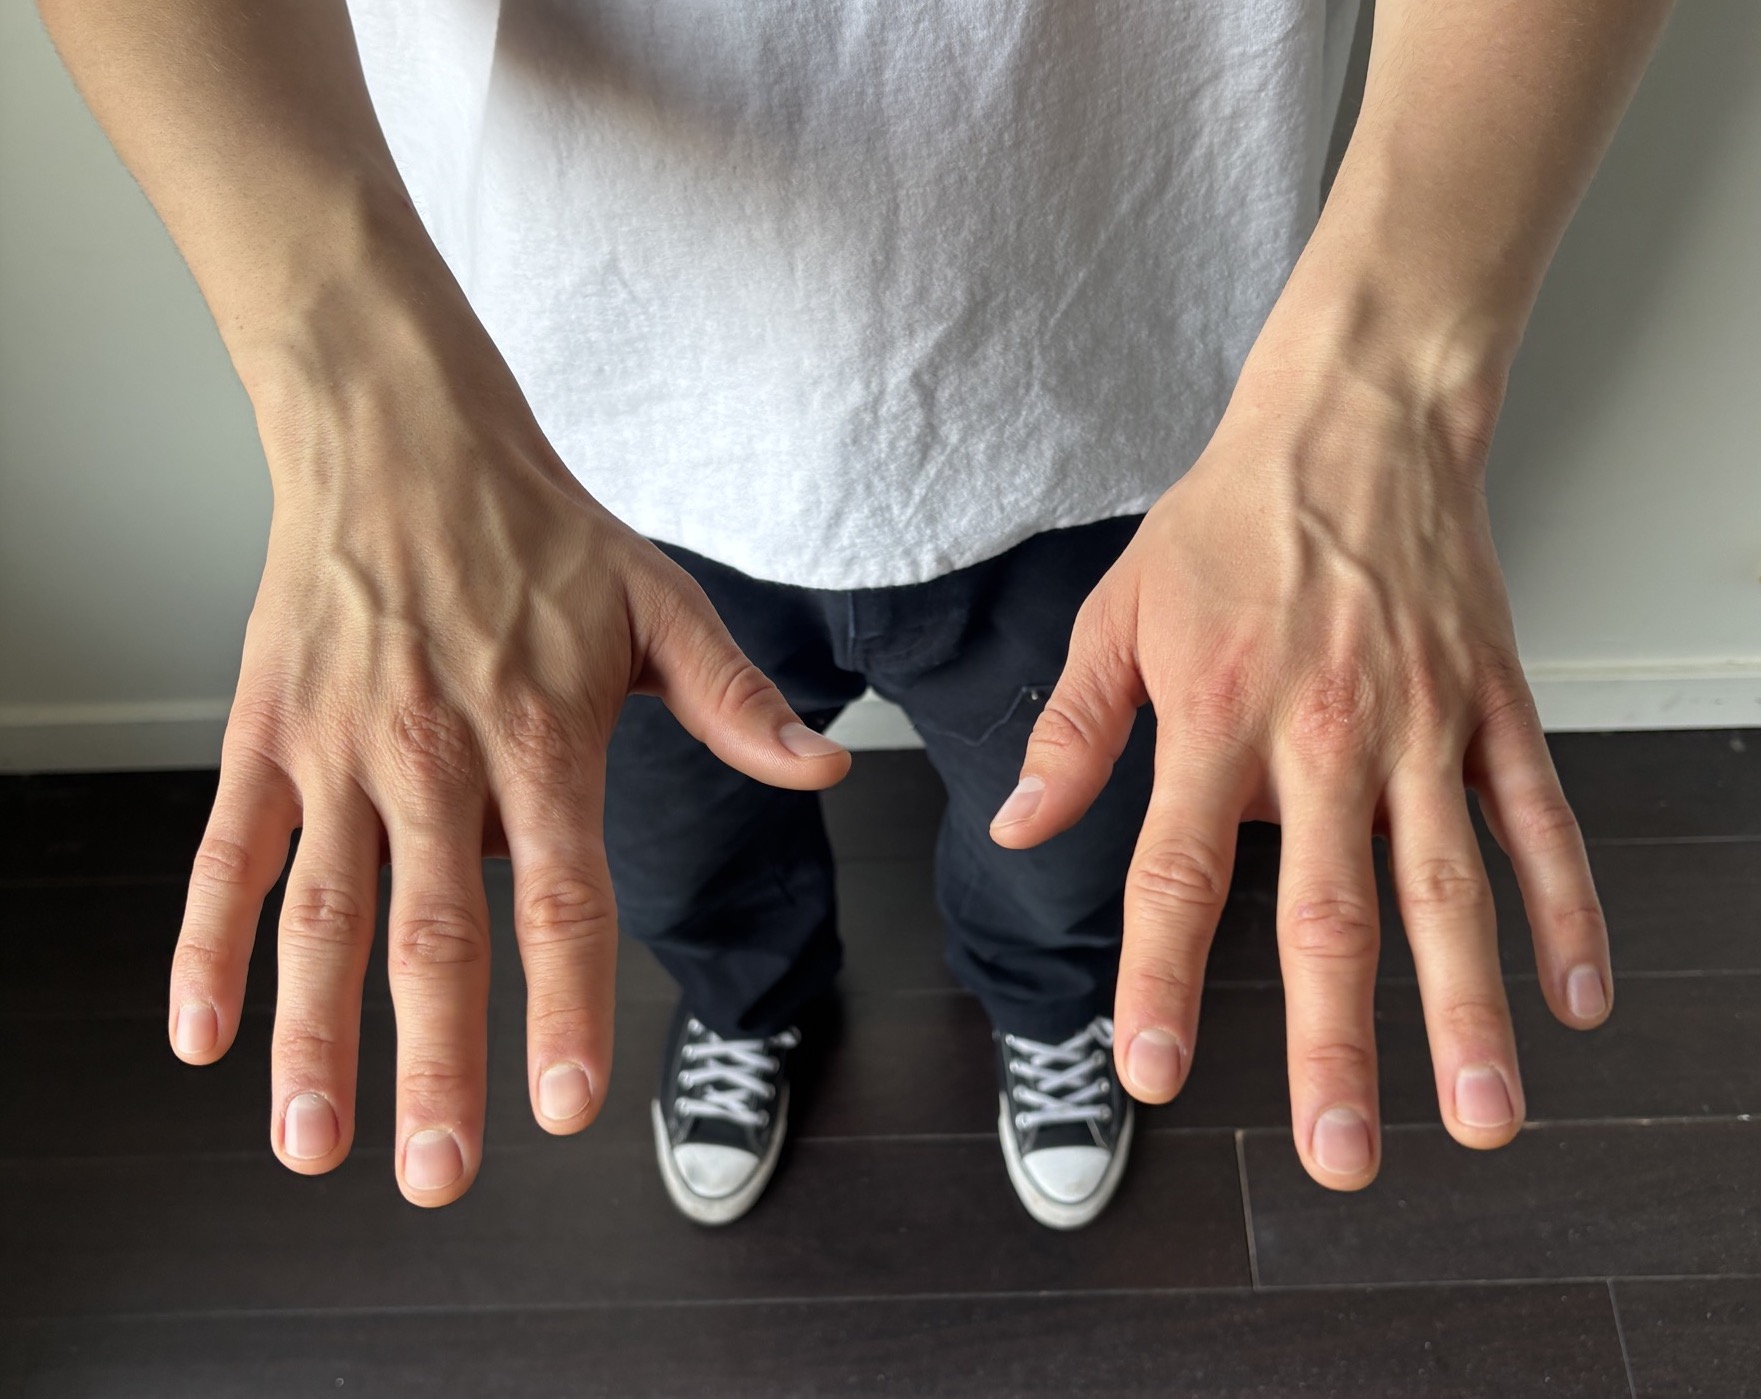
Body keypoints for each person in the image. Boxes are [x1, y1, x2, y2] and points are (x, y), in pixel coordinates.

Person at [40, 0, 1668, 1228]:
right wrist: (347, 382)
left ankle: (1046, 1016)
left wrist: (1398, 373)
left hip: (1120, 397)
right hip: (557, 435)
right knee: (670, 858)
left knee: (1072, 863)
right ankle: (745, 1008)